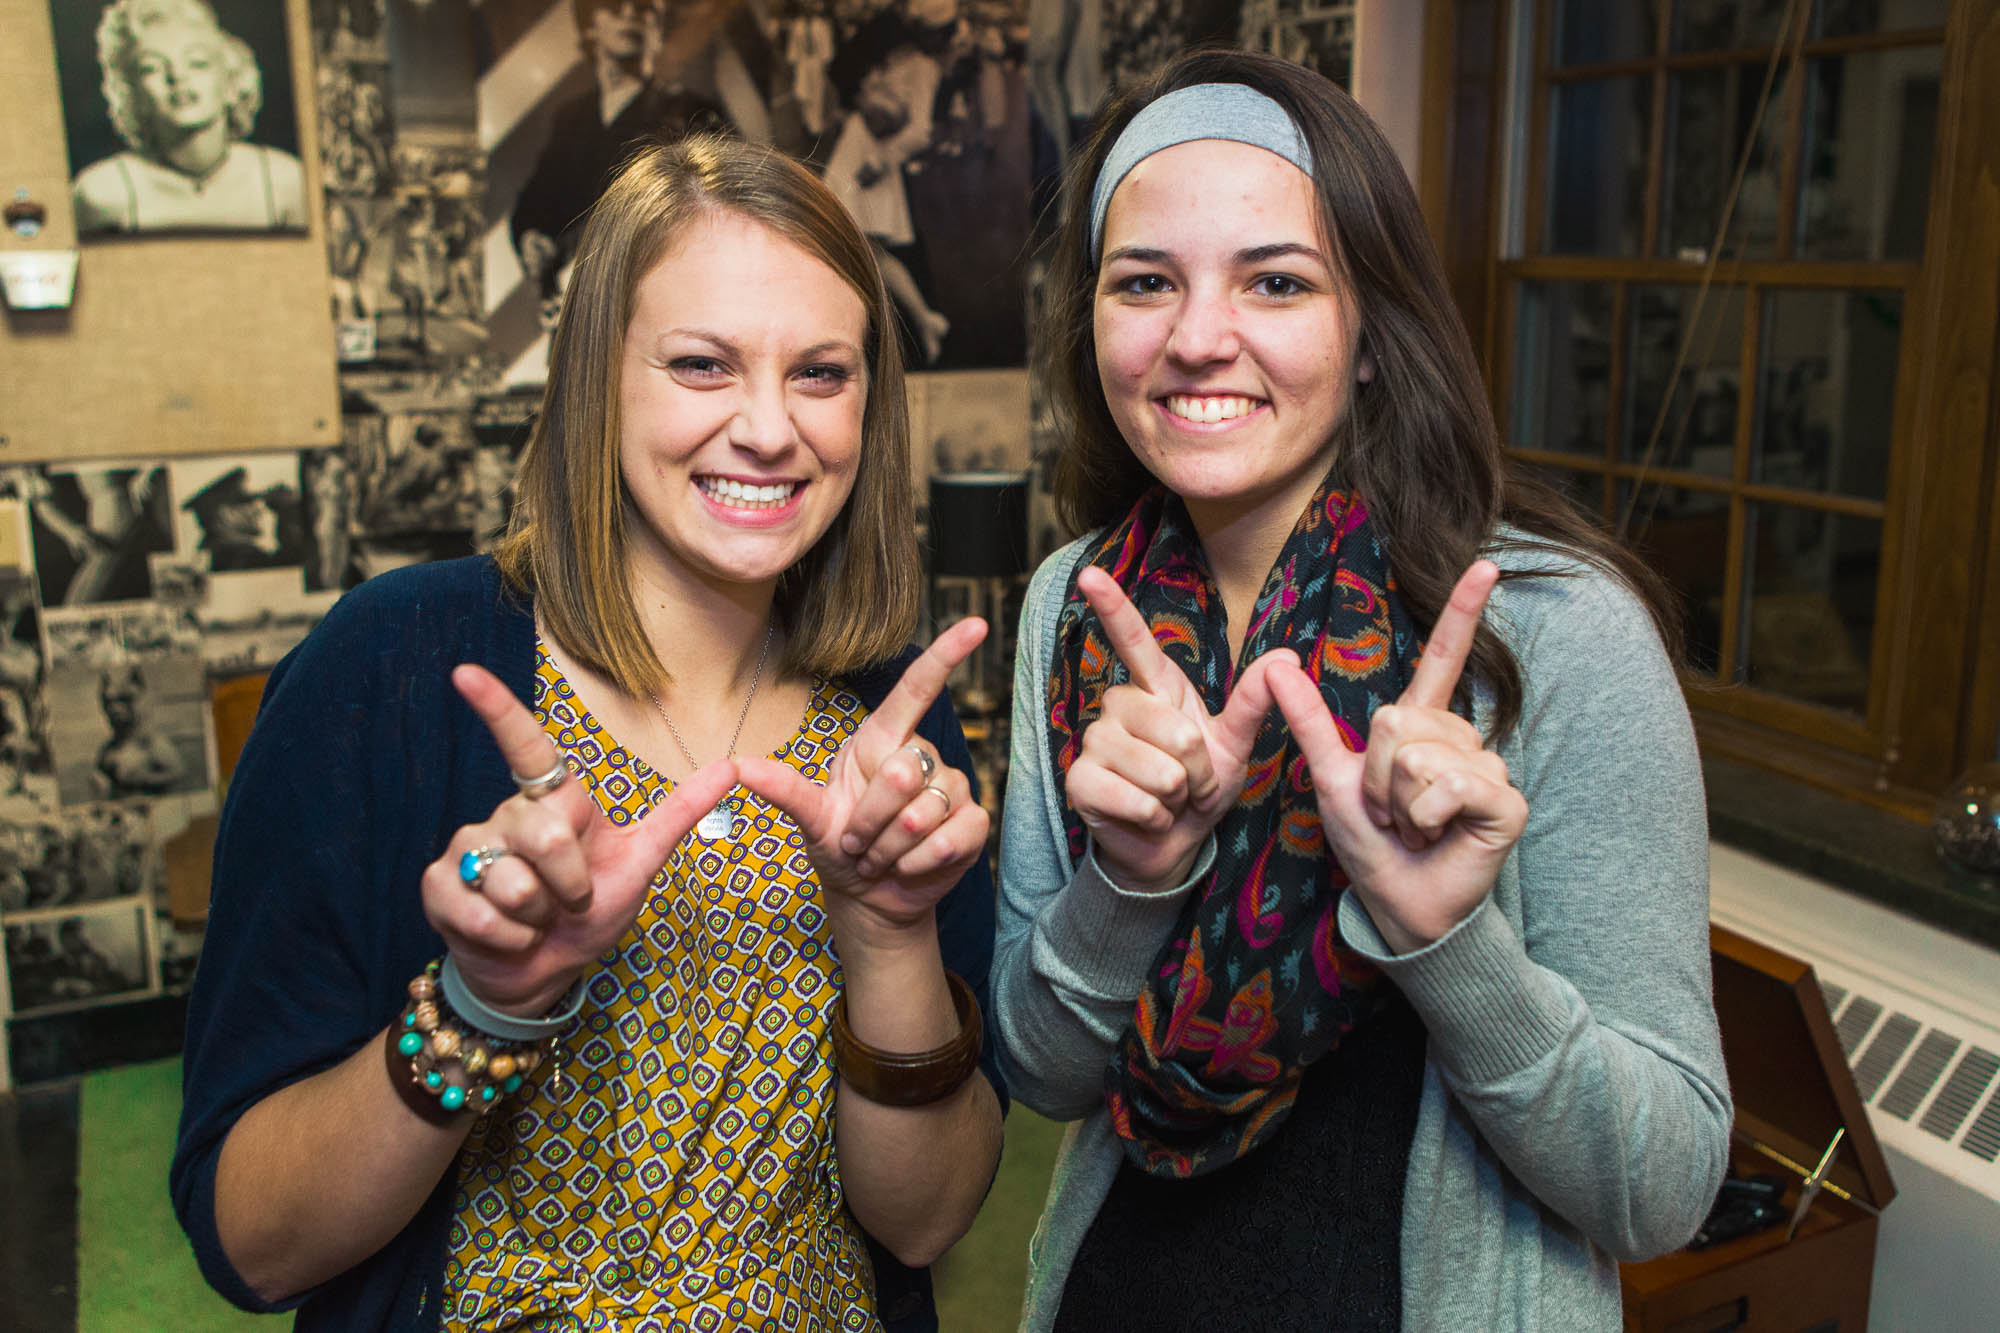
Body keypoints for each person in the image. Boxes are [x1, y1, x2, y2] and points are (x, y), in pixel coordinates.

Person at [172, 134, 1005, 1331]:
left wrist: (885, 933)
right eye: (702, 364)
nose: (769, 429)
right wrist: (480, 1003)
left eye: (820, 372)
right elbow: (251, 1239)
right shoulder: (398, 668)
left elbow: (922, 1222)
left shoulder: (890, 719)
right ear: (594, 378)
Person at [992, 50, 1731, 1332]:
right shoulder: (1075, 607)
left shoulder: (1549, 631)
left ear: (1371, 333)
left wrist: (1450, 941)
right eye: (1142, 283)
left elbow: (1660, 1188)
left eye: (1274, 281)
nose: (1196, 337)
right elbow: (1043, 1074)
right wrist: (1128, 882)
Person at [71, 0, 308, 234]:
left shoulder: (285, 181)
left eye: (198, 63)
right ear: (132, 96)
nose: (177, 76)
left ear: (232, 81)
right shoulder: (101, 192)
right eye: (151, 67)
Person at [94, 662, 188, 799]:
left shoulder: (151, 743)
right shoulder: (108, 748)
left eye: (125, 700)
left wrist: (141, 779)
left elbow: (178, 774)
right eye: (109, 703)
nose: (115, 709)